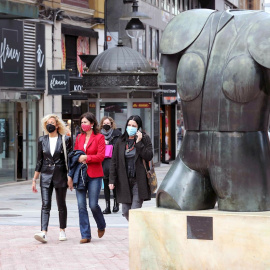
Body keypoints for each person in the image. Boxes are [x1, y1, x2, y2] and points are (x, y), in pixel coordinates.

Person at [32, 114, 71, 243]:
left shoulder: (65, 139)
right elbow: (39, 160)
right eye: (48, 123)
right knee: (45, 205)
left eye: (52, 122)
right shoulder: (42, 140)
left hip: (60, 175)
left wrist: (69, 177)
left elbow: (69, 161)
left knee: (61, 205)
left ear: (57, 125)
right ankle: (43, 232)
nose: (50, 125)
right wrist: (34, 179)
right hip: (45, 175)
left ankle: (62, 230)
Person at [67, 112, 106, 244]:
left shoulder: (99, 137)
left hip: (94, 175)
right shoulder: (79, 137)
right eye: (82, 122)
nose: (83, 125)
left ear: (92, 123)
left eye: (86, 122)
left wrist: (87, 158)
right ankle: (85, 234)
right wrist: (70, 176)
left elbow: (101, 156)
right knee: (81, 205)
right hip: (80, 175)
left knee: (93, 205)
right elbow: (74, 157)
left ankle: (101, 224)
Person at [109, 115, 153, 221]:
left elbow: (149, 156)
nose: (131, 127)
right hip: (124, 180)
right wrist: (112, 180)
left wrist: (139, 142)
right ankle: (137, 229)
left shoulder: (144, 138)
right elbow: (114, 161)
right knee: (125, 211)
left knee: (135, 211)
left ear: (138, 127)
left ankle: (136, 235)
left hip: (139, 180)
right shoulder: (120, 141)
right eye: (129, 125)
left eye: (134, 125)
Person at [100, 116, 122, 214]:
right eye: (104, 123)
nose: (106, 125)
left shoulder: (117, 134)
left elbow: (120, 147)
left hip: (114, 162)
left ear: (111, 124)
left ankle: (116, 204)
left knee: (114, 184)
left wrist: (109, 144)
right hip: (103, 162)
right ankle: (107, 206)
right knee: (106, 184)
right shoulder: (99, 135)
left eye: (108, 124)